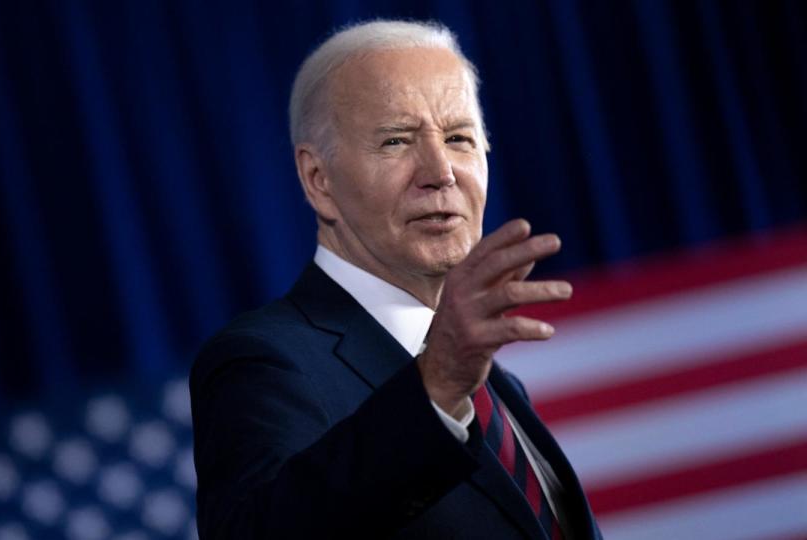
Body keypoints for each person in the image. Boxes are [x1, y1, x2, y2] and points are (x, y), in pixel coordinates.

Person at [191, 19, 602, 539]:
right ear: (318, 181)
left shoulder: (494, 382)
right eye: (395, 141)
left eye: (458, 138)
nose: (441, 171)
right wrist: (437, 385)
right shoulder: (264, 360)